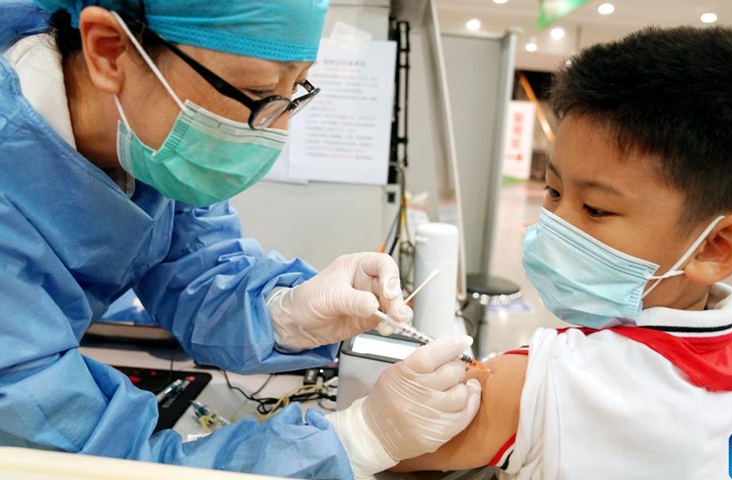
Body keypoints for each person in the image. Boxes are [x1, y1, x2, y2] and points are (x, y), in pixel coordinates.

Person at [0, 1, 482, 478]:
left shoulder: (145, 137)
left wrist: (287, 312)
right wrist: (361, 440)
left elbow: (195, 266)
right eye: (257, 91)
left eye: (295, 89)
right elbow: (78, 454)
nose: (280, 128)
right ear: (109, 51)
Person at [392, 26, 732, 479]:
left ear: (715, 246)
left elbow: (390, 445)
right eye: (552, 190)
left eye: (595, 208)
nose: (554, 224)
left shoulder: (546, 381)